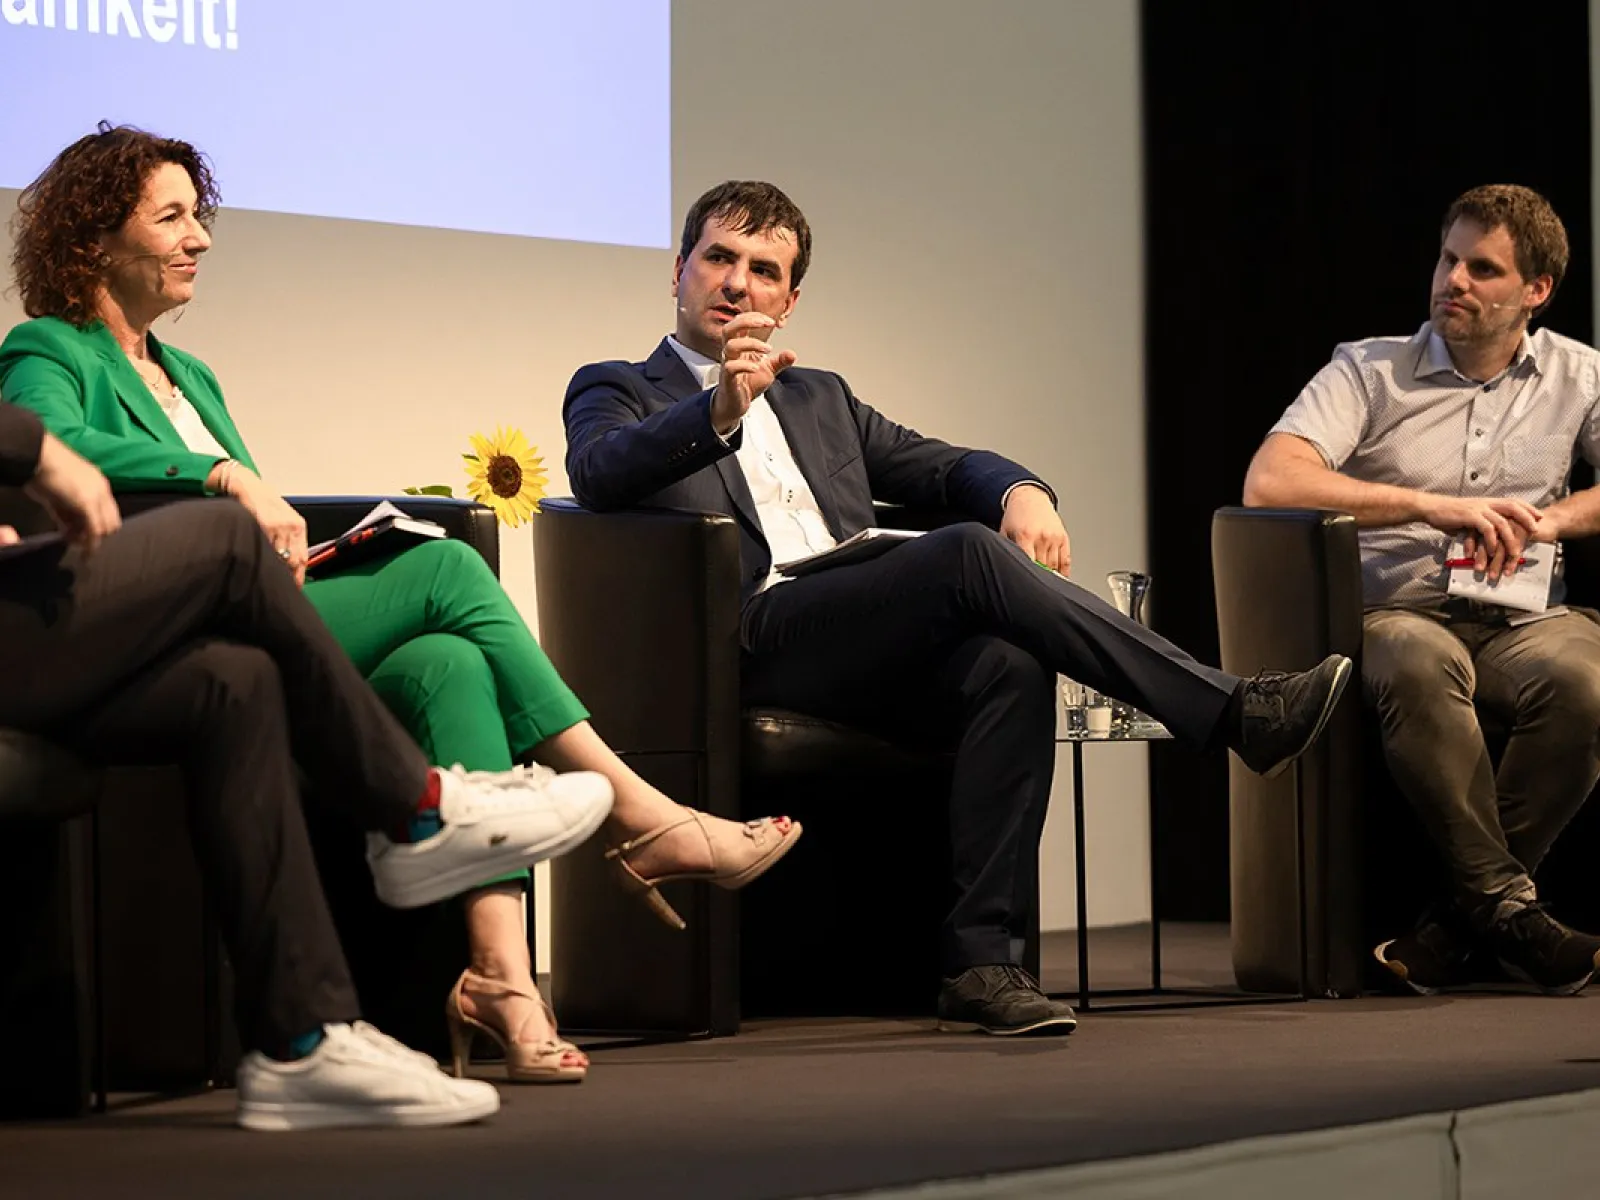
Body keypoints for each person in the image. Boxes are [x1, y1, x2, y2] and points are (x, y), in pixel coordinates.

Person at [0, 125, 801, 1082]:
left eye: (198, 216)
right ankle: (643, 815)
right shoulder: (51, 348)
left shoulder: (192, 376)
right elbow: (47, 443)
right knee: (452, 573)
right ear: (92, 240)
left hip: (254, 607)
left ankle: (502, 979)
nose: (202, 238)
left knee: (448, 662)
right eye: (172, 217)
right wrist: (213, 475)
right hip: (155, 629)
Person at [562, 179, 1351, 1036]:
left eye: (763, 270)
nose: (737, 282)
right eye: (718, 258)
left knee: (1009, 664)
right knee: (969, 552)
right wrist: (716, 409)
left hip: (849, 629)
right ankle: (1233, 710)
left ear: (788, 302)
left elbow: (943, 467)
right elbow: (599, 471)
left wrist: (1020, 489)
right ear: (678, 271)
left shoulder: (821, 397)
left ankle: (982, 962)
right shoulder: (617, 387)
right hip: (746, 636)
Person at [0, 404, 615, 1128]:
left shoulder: (186, 374)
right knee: (232, 539)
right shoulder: (47, 353)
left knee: (235, 680)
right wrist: (39, 449)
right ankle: (419, 813)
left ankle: (301, 1041)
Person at [1244, 183, 1600, 997]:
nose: (1454, 282)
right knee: (1414, 664)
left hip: (1523, 616)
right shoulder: (1369, 370)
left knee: (1586, 680)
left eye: (1483, 269)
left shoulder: (1579, 377)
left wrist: (1553, 522)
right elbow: (1271, 478)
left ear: (1535, 292)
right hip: (1399, 611)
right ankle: (1511, 913)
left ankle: (1461, 920)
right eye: (1448, 259)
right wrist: (1431, 506)